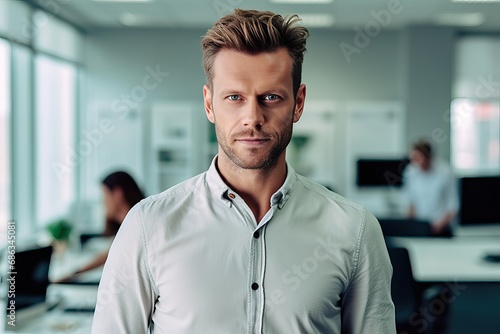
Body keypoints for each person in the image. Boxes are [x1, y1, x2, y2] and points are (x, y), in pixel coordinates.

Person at [92, 9, 395, 333]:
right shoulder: (147, 227)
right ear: (209, 104)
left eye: (271, 97)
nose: (252, 117)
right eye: (234, 97)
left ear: (298, 103)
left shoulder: (355, 230)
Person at [56, 171, 145, 282]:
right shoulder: (129, 224)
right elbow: (108, 253)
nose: (103, 203)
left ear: (118, 193)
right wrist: (74, 273)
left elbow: (108, 255)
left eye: (104, 196)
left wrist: (74, 273)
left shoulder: (137, 225)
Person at [404, 139, 459, 236]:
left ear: (428, 157)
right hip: (420, 228)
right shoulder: (411, 172)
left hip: (441, 229)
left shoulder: (445, 172)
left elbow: (453, 206)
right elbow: (411, 202)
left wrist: (439, 225)